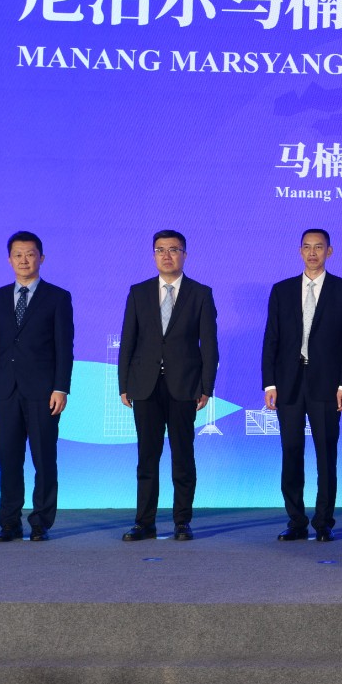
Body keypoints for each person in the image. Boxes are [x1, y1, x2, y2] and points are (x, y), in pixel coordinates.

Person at [118, 230, 219, 542]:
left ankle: (182, 521)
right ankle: (144, 523)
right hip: (144, 386)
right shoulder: (138, 292)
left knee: (182, 456)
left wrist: (206, 387)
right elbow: (128, 341)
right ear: (153, 255)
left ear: (184, 255)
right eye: (160, 250)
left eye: (173, 250)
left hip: (184, 386)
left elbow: (209, 346)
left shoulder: (200, 293)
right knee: (147, 457)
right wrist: (124, 384)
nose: (166, 255)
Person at [262, 229, 342, 542]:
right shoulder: (282, 290)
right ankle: (296, 521)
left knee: (325, 455)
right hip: (288, 383)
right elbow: (271, 338)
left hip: (327, 385)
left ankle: (323, 522)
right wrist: (269, 383)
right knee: (291, 452)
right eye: (307, 247)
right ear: (300, 251)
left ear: (329, 251)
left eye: (319, 247)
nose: (313, 252)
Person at [0, 231, 73, 542]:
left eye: (30, 254)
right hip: (4, 392)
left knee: (44, 459)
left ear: (41, 258)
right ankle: (9, 523)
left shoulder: (58, 297)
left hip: (43, 392)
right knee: (8, 460)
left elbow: (64, 347)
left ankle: (40, 522)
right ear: (9, 260)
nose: (24, 260)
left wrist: (61, 388)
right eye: (18, 255)